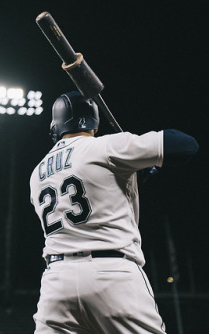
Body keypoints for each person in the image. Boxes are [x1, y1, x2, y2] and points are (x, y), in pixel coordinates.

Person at [29, 91, 199, 333]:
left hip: (56, 283)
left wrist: (130, 174)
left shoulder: (37, 173)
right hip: (112, 274)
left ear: (56, 126)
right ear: (94, 123)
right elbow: (185, 145)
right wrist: (135, 156)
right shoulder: (107, 146)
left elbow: (91, 190)